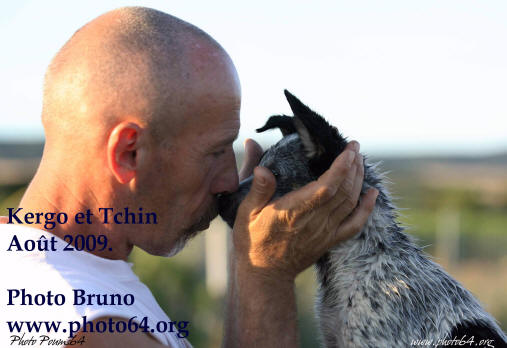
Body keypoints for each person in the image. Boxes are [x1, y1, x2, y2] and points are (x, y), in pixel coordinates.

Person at [0, 6, 378, 348]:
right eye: (215, 152)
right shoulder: (87, 326)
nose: (231, 181)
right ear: (128, 153)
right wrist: (267, 274)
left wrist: (251, 255)